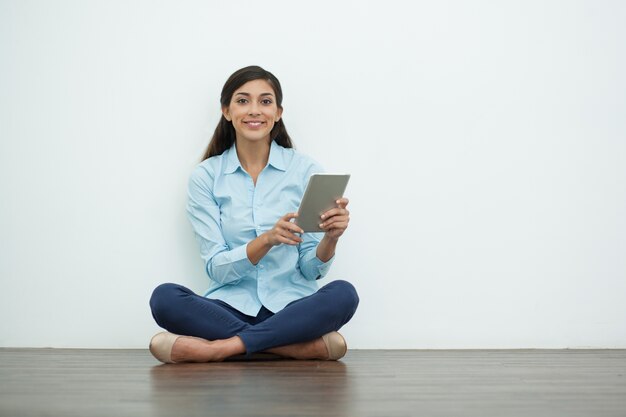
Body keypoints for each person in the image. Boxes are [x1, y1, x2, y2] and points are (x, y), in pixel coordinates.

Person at [148, 65, 359, 363]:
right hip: (228, 307)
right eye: (243, 100)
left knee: (344, 295)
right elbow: (216, 268)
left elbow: (312, 271)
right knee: (165, 298)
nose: (254, 110)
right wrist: (267, 240)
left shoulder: (305, 171)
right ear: (226, 110)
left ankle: (221, 349)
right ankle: (290, 347)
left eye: (265, 101)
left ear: (278, 112)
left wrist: (331, 239)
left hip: (292, 306)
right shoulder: (206, 176)